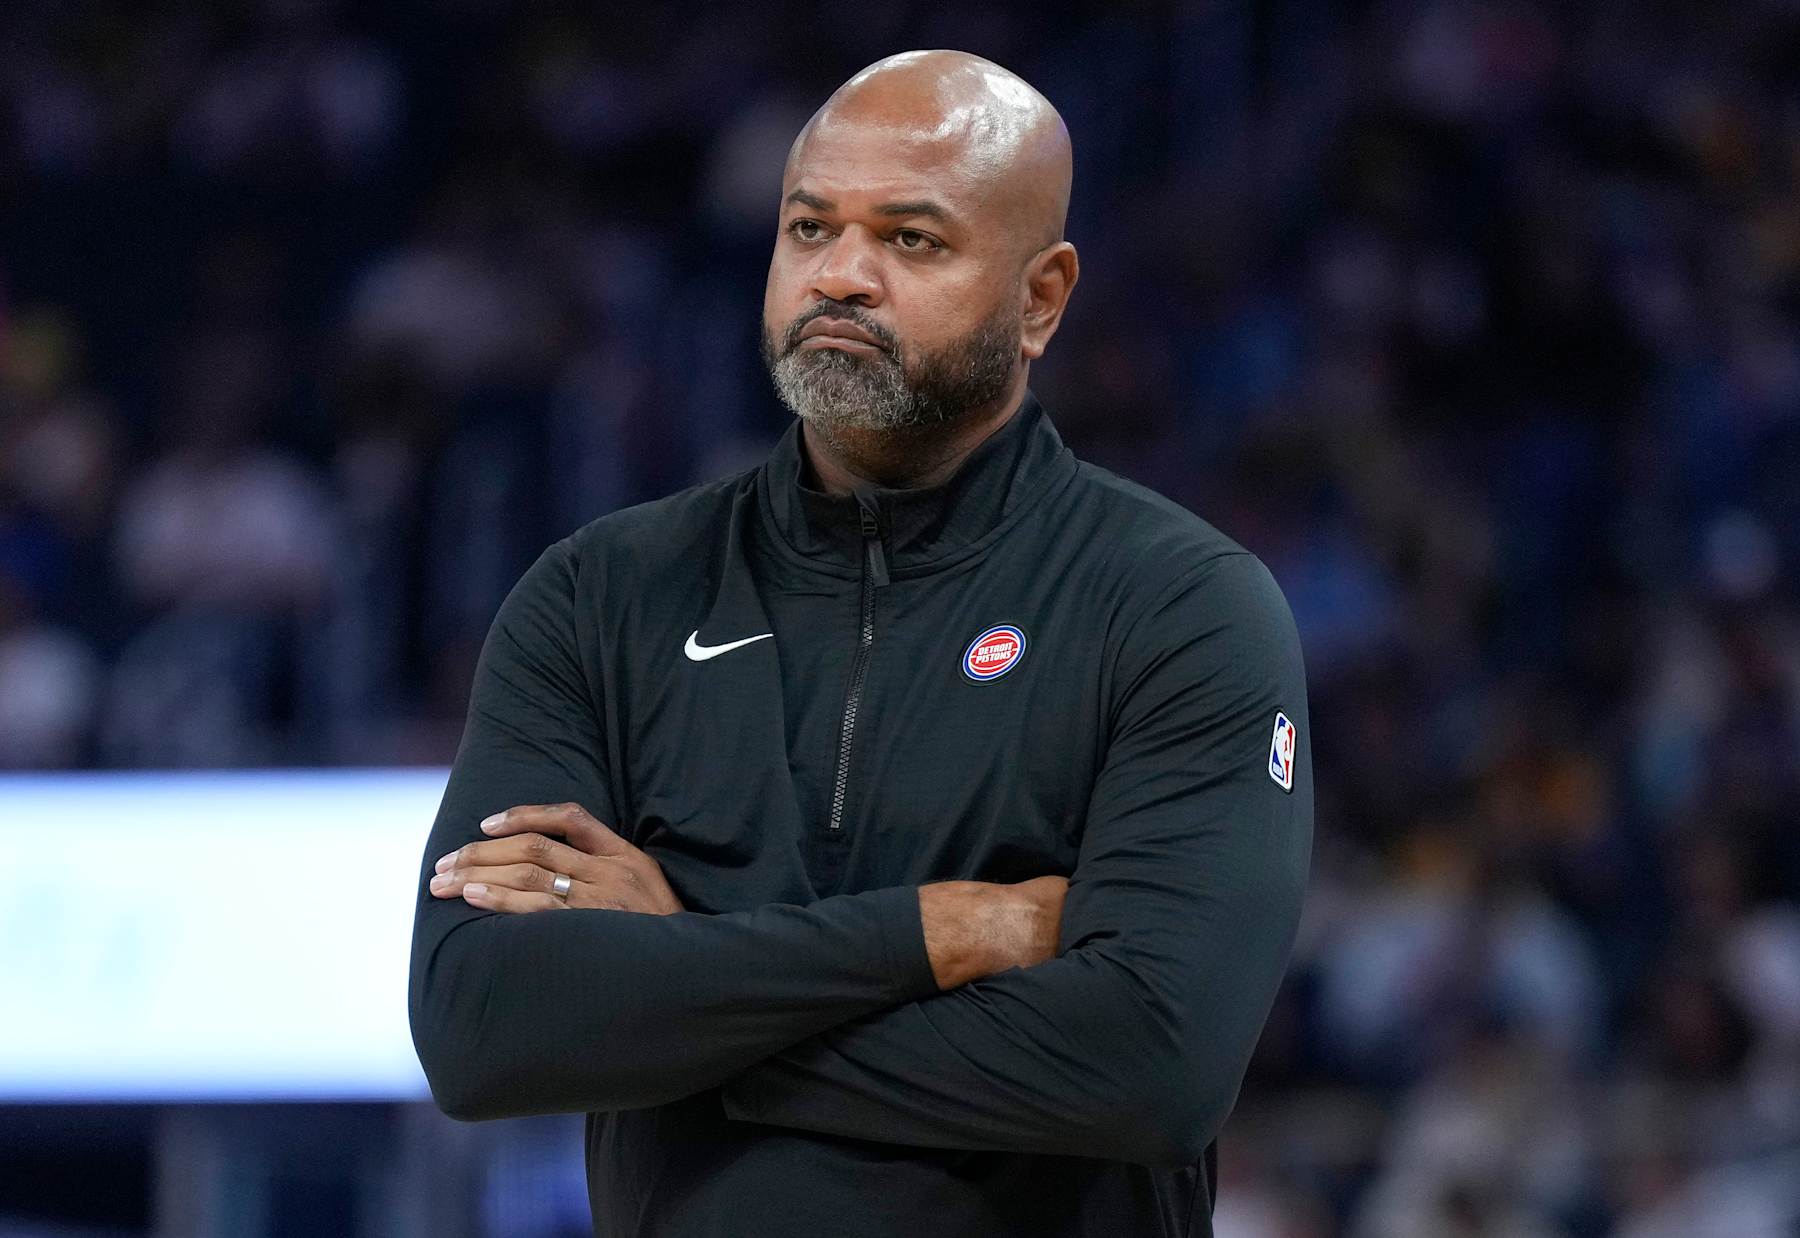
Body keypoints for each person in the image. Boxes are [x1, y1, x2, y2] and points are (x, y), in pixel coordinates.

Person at [408, 48, 1312, 1238]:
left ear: (1040, 299)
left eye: (912, 240)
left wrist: (678, 971)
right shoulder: (601, 595)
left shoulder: (1179, 604)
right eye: (808, 227)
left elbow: (1152, 1065)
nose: (842, 275)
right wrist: (941, 930)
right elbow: (484, 1030)